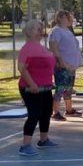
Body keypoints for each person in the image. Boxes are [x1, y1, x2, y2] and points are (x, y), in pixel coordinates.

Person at [16, 19, 57, 157]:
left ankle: (43, 140)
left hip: (45, 87)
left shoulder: (41, 47)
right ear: (29, 32)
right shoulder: (27, 48)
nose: (41, 30)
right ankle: (25, 145)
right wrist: (32, 84)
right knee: (34, 113)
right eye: (37, 28)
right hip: (30, 88)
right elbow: (21, 68)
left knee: (46, 111)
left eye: (41, 28)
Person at [49, 10, 83, 121]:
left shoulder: (67, 30)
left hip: (71, 66)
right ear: (60, 18)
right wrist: (61, 61)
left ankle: (69, 110)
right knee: (60, 88)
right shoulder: (56, 31)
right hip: (62, 66)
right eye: (67, 17)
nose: (70, 19)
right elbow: (53, 47)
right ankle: (56, 112)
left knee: (68, 88)